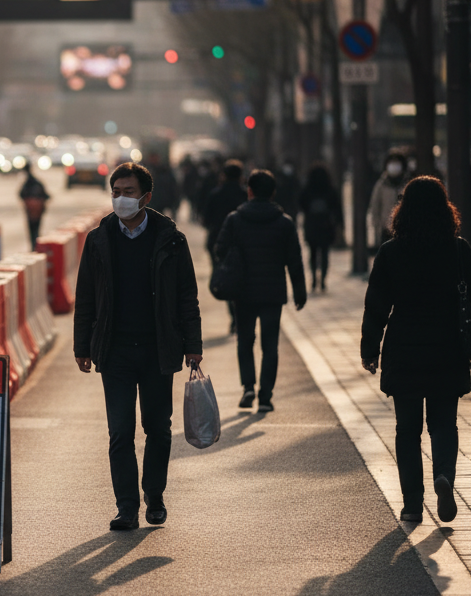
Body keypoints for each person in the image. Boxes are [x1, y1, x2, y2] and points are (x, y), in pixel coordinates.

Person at [73, 162, 203, 531]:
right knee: (120, 432)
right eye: (115, 192)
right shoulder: (99, 240)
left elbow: (186, 296)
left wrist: (193, 345)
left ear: (146, 197)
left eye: (128, 192)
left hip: (157, 349)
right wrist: (82, 346)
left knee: (158, 428)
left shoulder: (171, 239)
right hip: (114, 350)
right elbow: (86, 297)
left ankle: (155, 496)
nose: (121, 199)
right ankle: (126, 507)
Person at [360, 176, 471, 524]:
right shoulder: (458, 250)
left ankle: (413, 504)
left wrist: (370, 349)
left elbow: (376, 306)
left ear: (403, 210)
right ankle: (443, 475)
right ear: (445, 209)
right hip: (447, 349)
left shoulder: (391, 252)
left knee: (407, 430)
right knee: (443, 424)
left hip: (405, 350)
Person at [215, 169, 306, 413]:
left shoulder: (235, 219)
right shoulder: (284, 222)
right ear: (273, 192)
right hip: (272, 292)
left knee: (245, 340)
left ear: (250, 191)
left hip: (243, 291)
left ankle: (248, 387)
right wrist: (300, 292)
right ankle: (266, 396)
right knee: (270, 345)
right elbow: (294, 261)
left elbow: (220, 249)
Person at [204, 159, 248, 332]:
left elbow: (206, 219)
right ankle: (240, 314)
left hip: (218, 242)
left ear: (223, 175)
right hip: (242, 242)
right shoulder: (245, 195)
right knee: (242, 277)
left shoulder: (215, 194)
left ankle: (233, 316)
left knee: (226, 277)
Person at [298, 164, 342, 292]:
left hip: (311, 225)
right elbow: (336, 207)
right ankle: (322, 279)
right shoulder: (330, 189)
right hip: (326, 225)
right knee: (324, 253)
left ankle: (313, 279)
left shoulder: (307, 189)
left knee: (312, 254)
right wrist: (338, 222)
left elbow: (301, 204)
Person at [368, 150, 407, 250]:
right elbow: (375, 207)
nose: (394, 166)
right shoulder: (381, 184)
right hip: (386, 231)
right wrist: (378, 227)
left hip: (405, 231)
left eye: (397, 163)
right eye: (391, 163)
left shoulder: (407, 184)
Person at [18, 165, 50, 249]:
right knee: (36, 229)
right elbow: (46, 196)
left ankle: (34, 246)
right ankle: (35, 246)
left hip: (32, 211)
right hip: (36, 211)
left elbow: (21, 194)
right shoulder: (36, 183)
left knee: (32, 230)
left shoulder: (28, 184)